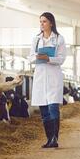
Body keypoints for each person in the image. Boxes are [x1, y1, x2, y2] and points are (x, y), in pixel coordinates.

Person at [29, 12, 67, 148]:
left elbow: (62, 59)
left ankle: (55, 139)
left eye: (44, 21)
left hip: (53, 77)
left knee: (53, 108)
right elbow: (30, 57)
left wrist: (48, 58)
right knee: (44, 110)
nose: (42, 24)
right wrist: (38, 57)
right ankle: (49, 139)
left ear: (51, 23)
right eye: (40, 22)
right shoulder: (36, 40)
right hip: (40, 77)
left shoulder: (59, 39)